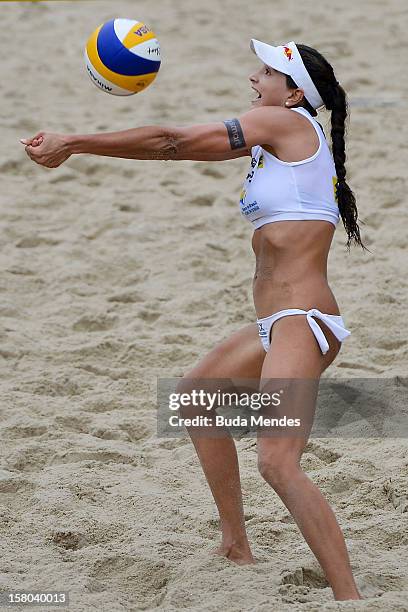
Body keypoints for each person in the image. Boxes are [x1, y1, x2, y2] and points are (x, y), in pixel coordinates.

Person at [21, 38, 364, 601]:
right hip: (280, 322)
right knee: (198, 396)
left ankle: (350, 596)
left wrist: (77, 142)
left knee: (278, 463)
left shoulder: (285, 123)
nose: (254, 76)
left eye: (267, 71)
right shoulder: (280, 139)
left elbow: (171, 141)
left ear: (295, 91)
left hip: (303, 320)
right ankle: (235, 544)